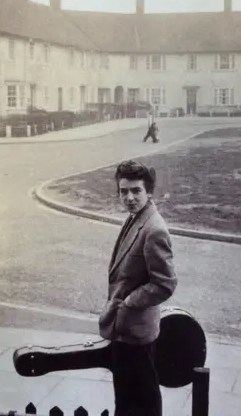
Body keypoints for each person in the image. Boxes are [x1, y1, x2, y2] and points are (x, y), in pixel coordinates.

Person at [98, 160, 178, 416]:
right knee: (126, 401)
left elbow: (165, 284)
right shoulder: (136, 218)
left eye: (136, 191)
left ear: (149, 192)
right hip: (126, 330)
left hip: (137, 335)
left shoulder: (154, 229)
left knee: (143, 403)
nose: (129, 198)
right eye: (124, 191)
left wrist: (131, 300)